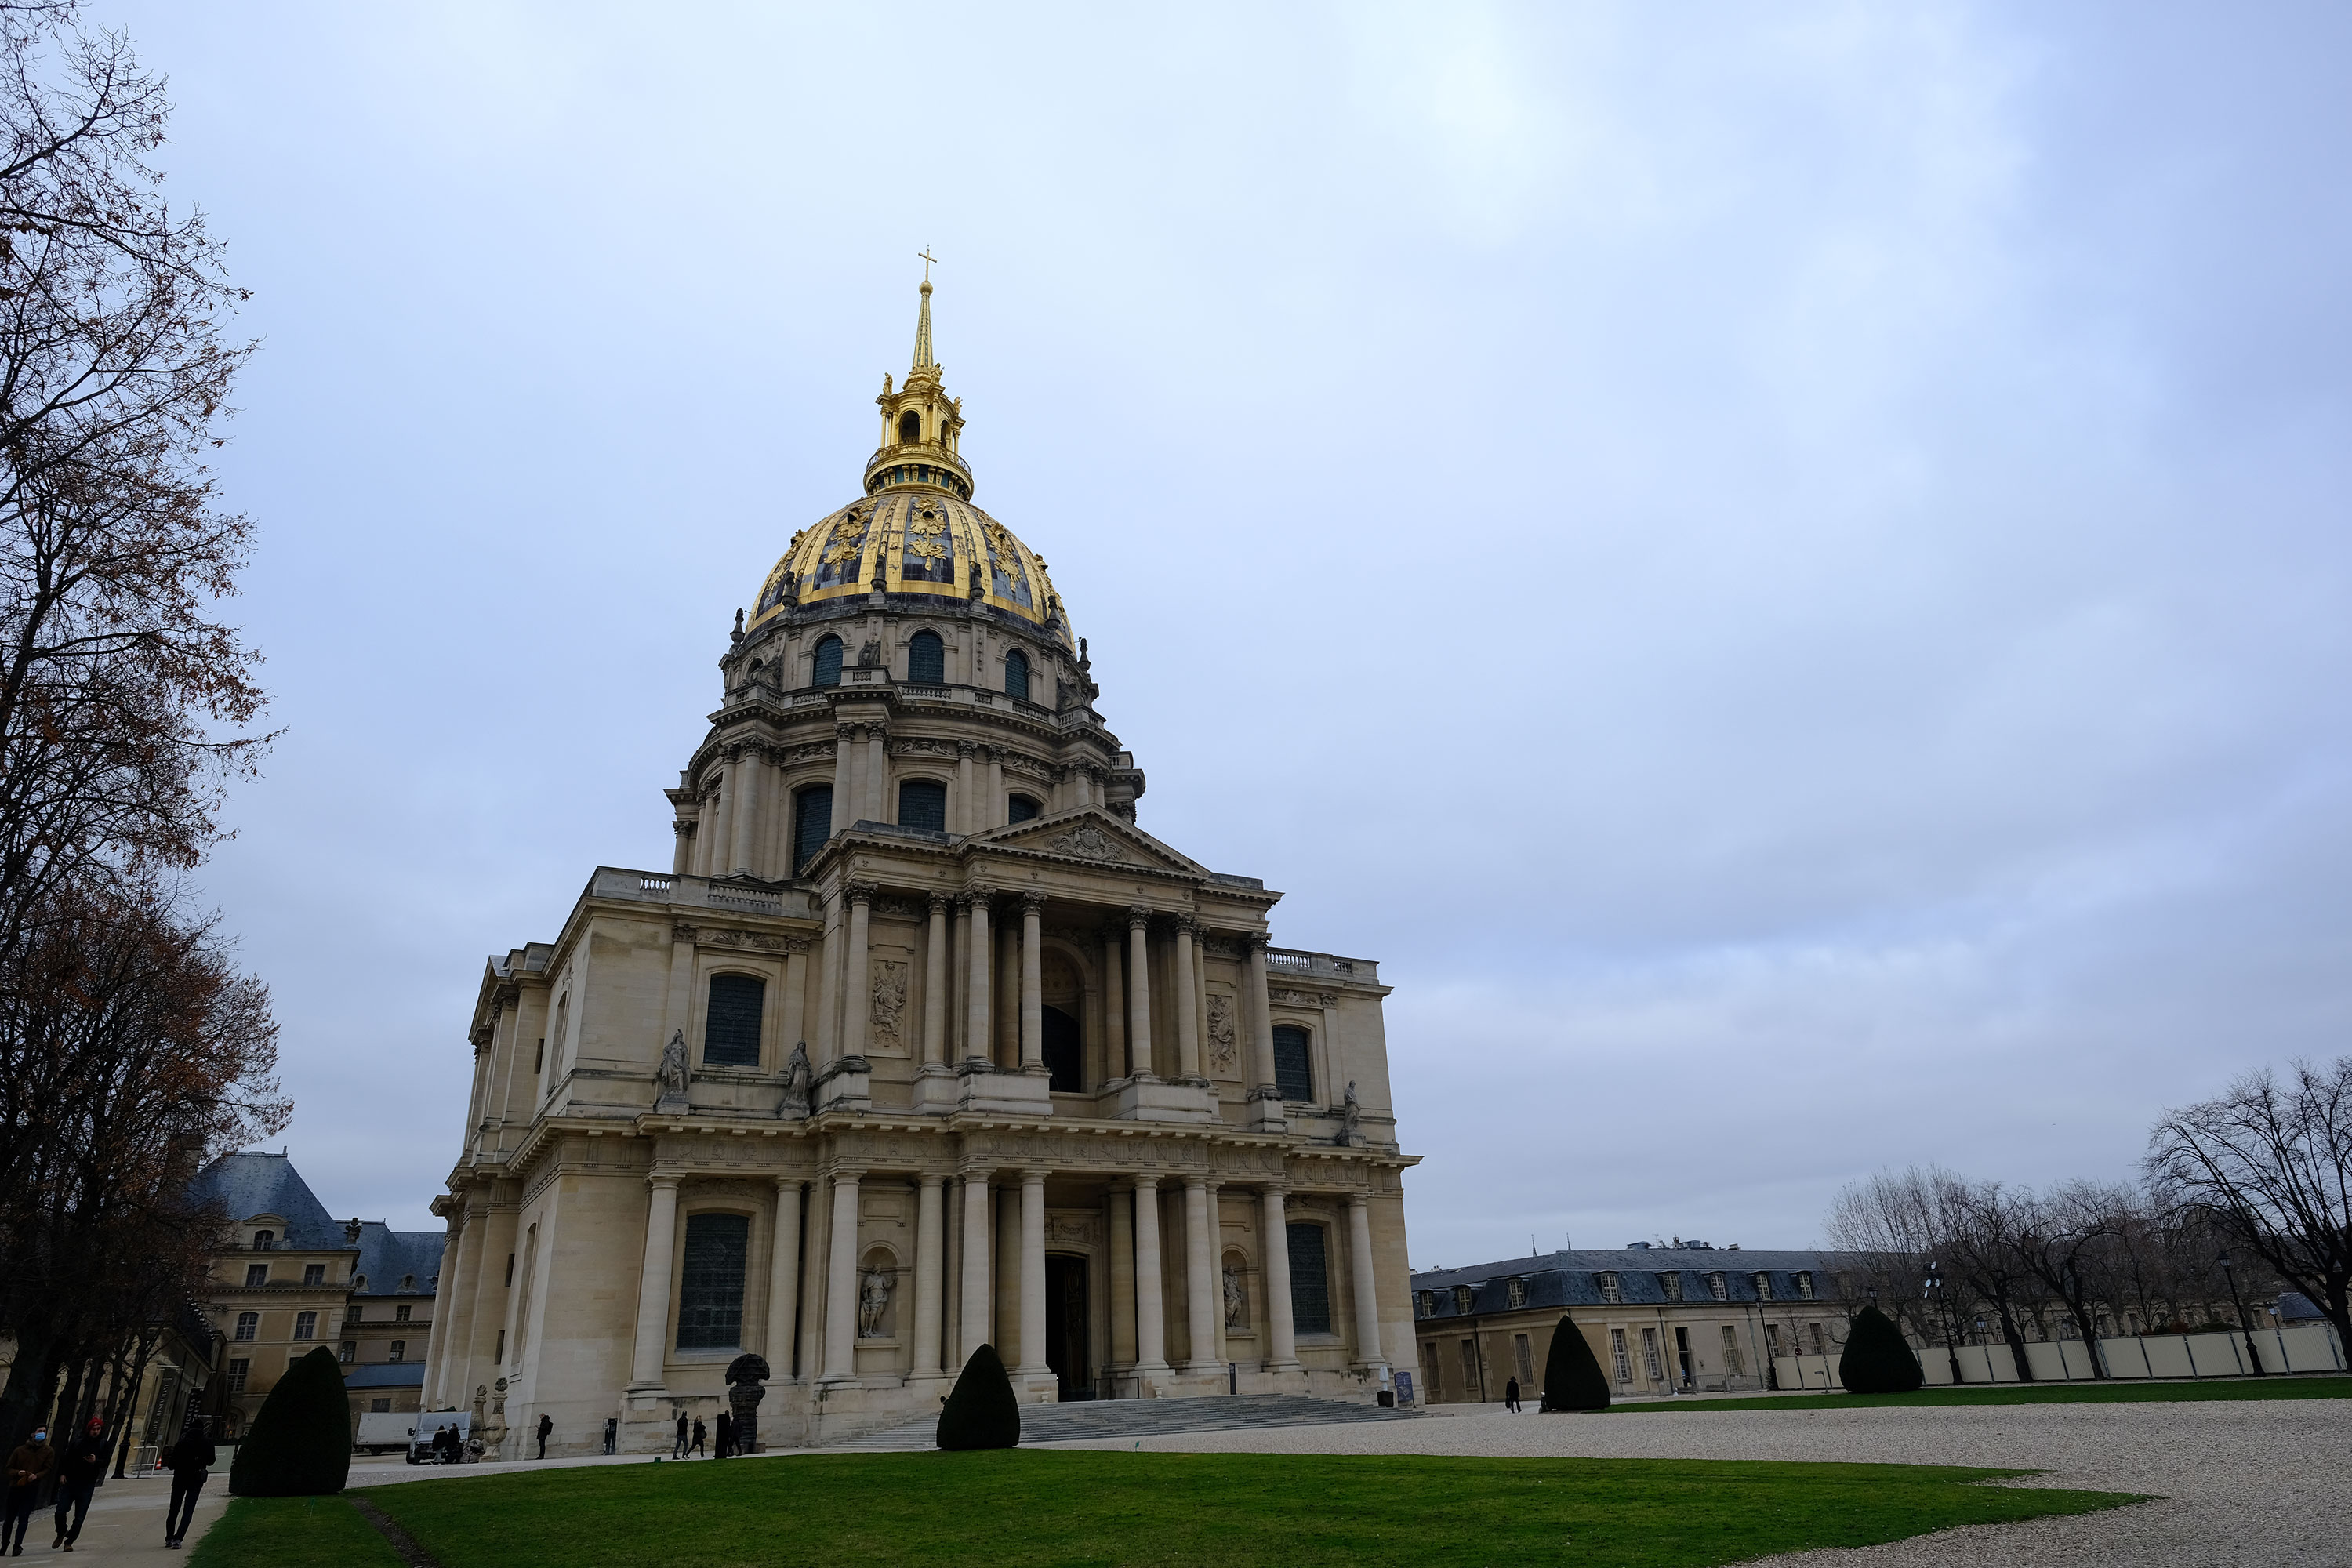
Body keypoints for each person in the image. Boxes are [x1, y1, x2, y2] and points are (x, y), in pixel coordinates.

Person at [50, 1417, 106, 1551]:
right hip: (71, 1481)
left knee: (80, 1516)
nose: (96, 1432)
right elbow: (66, 1459)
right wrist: (63, 1474)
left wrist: (95, 1461)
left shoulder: (103, 1444)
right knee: (60, 1511)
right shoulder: (77, 1443)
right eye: (94, 1429)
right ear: (89, 1430)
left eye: (98, 1429)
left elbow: (104, 1462)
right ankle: (61, 1531)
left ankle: (69, 1541)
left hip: (87, 1484)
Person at [162, 1421, 216, 1550]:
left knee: (174, 1509)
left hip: (180, 1478)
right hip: (196, 1479)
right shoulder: (207, 1443)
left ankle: (169, 1537)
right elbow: (211, 1461)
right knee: (188, 1510)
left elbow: (171, 1465)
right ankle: (178, 1538)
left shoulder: (181, 1443)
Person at [3, 1426, 53, 1556]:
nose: (42, 1434)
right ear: (32, 1434)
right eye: (39, 1431)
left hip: (31, 1488)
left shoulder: (48, 1451)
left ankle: (17, 1546)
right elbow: (8, 1469)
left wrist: (37, 1476)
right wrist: (18, 1473)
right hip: (16, 1487)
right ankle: (4, 1545)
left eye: (44, 1431)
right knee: (9, 1519)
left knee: (24, 1518)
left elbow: (48, 1469)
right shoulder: (19, 1451)